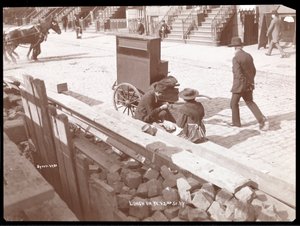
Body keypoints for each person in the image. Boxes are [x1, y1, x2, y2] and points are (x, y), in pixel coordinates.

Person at [228, 37, 268, 131]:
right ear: (241, 46)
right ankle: (262, 119)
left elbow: (237, 74)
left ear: (234, 47)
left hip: (239, 86)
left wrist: (240, 85)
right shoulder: (248, 55)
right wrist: (250, 82)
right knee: (250, 102)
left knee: (233, 103)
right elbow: (253, 71)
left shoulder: (236, 58)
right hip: (249, 84)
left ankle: (236, 123)